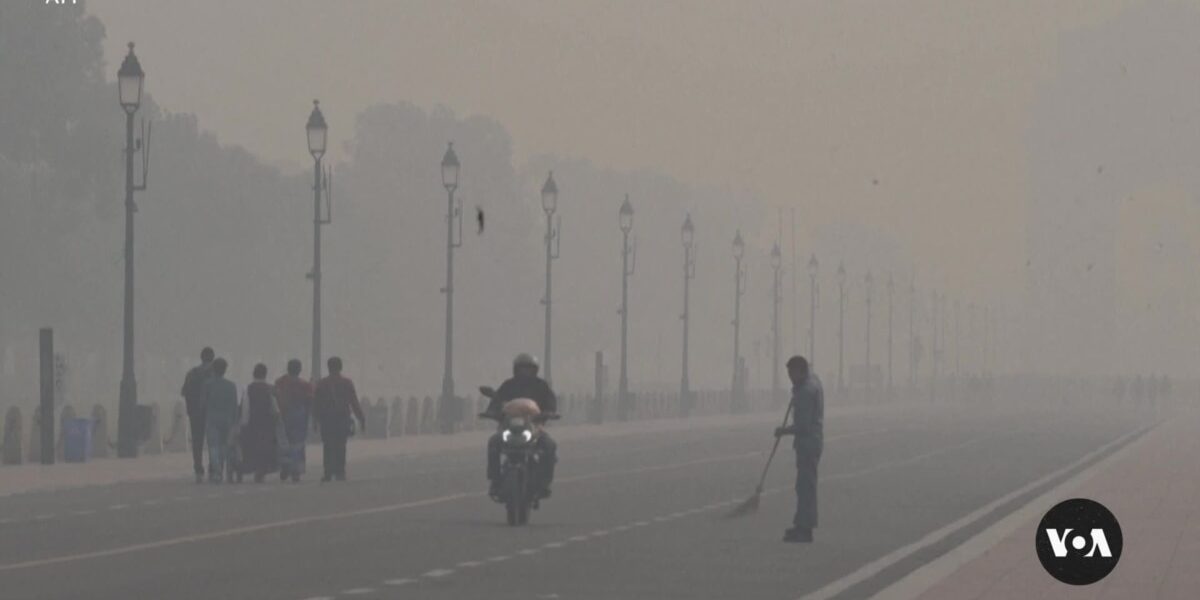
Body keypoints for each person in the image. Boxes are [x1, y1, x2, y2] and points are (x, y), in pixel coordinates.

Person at [484, 353, 558, 499]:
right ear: (516, 369)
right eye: (522, 368)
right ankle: (495, 480)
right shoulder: (508, 385)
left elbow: (550, 402)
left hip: (534, 427)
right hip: (509, 427)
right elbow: (497, 401)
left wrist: (549, 412)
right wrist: (491, 412)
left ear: (535, 370)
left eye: (528, 369)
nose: (525, 372)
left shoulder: (541, 386)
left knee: (550, 446)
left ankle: (544, 483)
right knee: (493, 443)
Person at [774, 355, 824, 543]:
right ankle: (802, 524)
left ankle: (805, 529)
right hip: (813, 442)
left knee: (805, 487)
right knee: (804, 486)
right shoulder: (812, 383)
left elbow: (802, 426)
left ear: (800, 371)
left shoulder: (805, 392)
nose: (789, 378)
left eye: (791, 373)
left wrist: (783, 430)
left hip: (808, 443)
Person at [314, 356, 365, 482]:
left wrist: (315, 420)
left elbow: (316, 404)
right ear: (340, 367)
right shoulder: (347, 383)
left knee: (328, 446)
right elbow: (354, 402)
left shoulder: (321, 383)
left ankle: (327, 472)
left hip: (327, 419)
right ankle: (340, 471)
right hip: (342, 418)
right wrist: (361, 419)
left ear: (328, 367)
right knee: (341, 445)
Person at [239, 363, 281, 483]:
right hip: (267, 423)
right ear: (265, 374)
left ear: (253, 374)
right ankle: (262, 470)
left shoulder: (249, 388)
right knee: (266, 447)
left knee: (254, 446)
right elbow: (275, 407)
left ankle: (256, 468)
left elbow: (245, 407)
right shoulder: (270, 388)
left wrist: (244, 422)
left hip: (253, 422)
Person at [275, 359, 314, 482]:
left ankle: (285, 466)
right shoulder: (305, 385)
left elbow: (275, 398)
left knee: (284, 443)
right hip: (299, 417)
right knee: (297, 445)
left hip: (283, 416)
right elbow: (310, 402)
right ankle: (295, 469)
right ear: (300, 369)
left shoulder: (280, 382)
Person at [181, 347, 215, 483]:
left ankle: (198, 470)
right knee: (213, 442)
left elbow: (184, 392)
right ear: (212, 358)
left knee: (197, 442)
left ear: (201, 357)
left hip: (195, 413)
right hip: (211, 412)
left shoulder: (192, 373)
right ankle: (213, 468)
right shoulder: (214, 374)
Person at [204, 358, 239, 483]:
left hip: (212, 419)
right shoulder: (231, 386)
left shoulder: (208, 385)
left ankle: (217, 472)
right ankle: (223, 468)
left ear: (213, 369)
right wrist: (235, 422)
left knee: (213, 447)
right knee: (224, 446)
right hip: (227, 420)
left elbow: (203, 403)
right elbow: (235, 405)